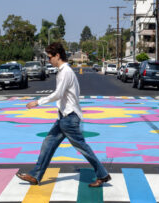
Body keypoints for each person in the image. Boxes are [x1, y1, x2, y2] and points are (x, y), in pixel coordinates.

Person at [16, 42, 111, 187]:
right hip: (64, 117)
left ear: (57, 55)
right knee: (48, 143)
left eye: (50, 57)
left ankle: (102, 174)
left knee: (82, 147)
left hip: (69, 118)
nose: (49, 61)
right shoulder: (62, 71)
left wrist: (38, 102)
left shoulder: (65, 72)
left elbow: (58, 93)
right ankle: (35, 175)